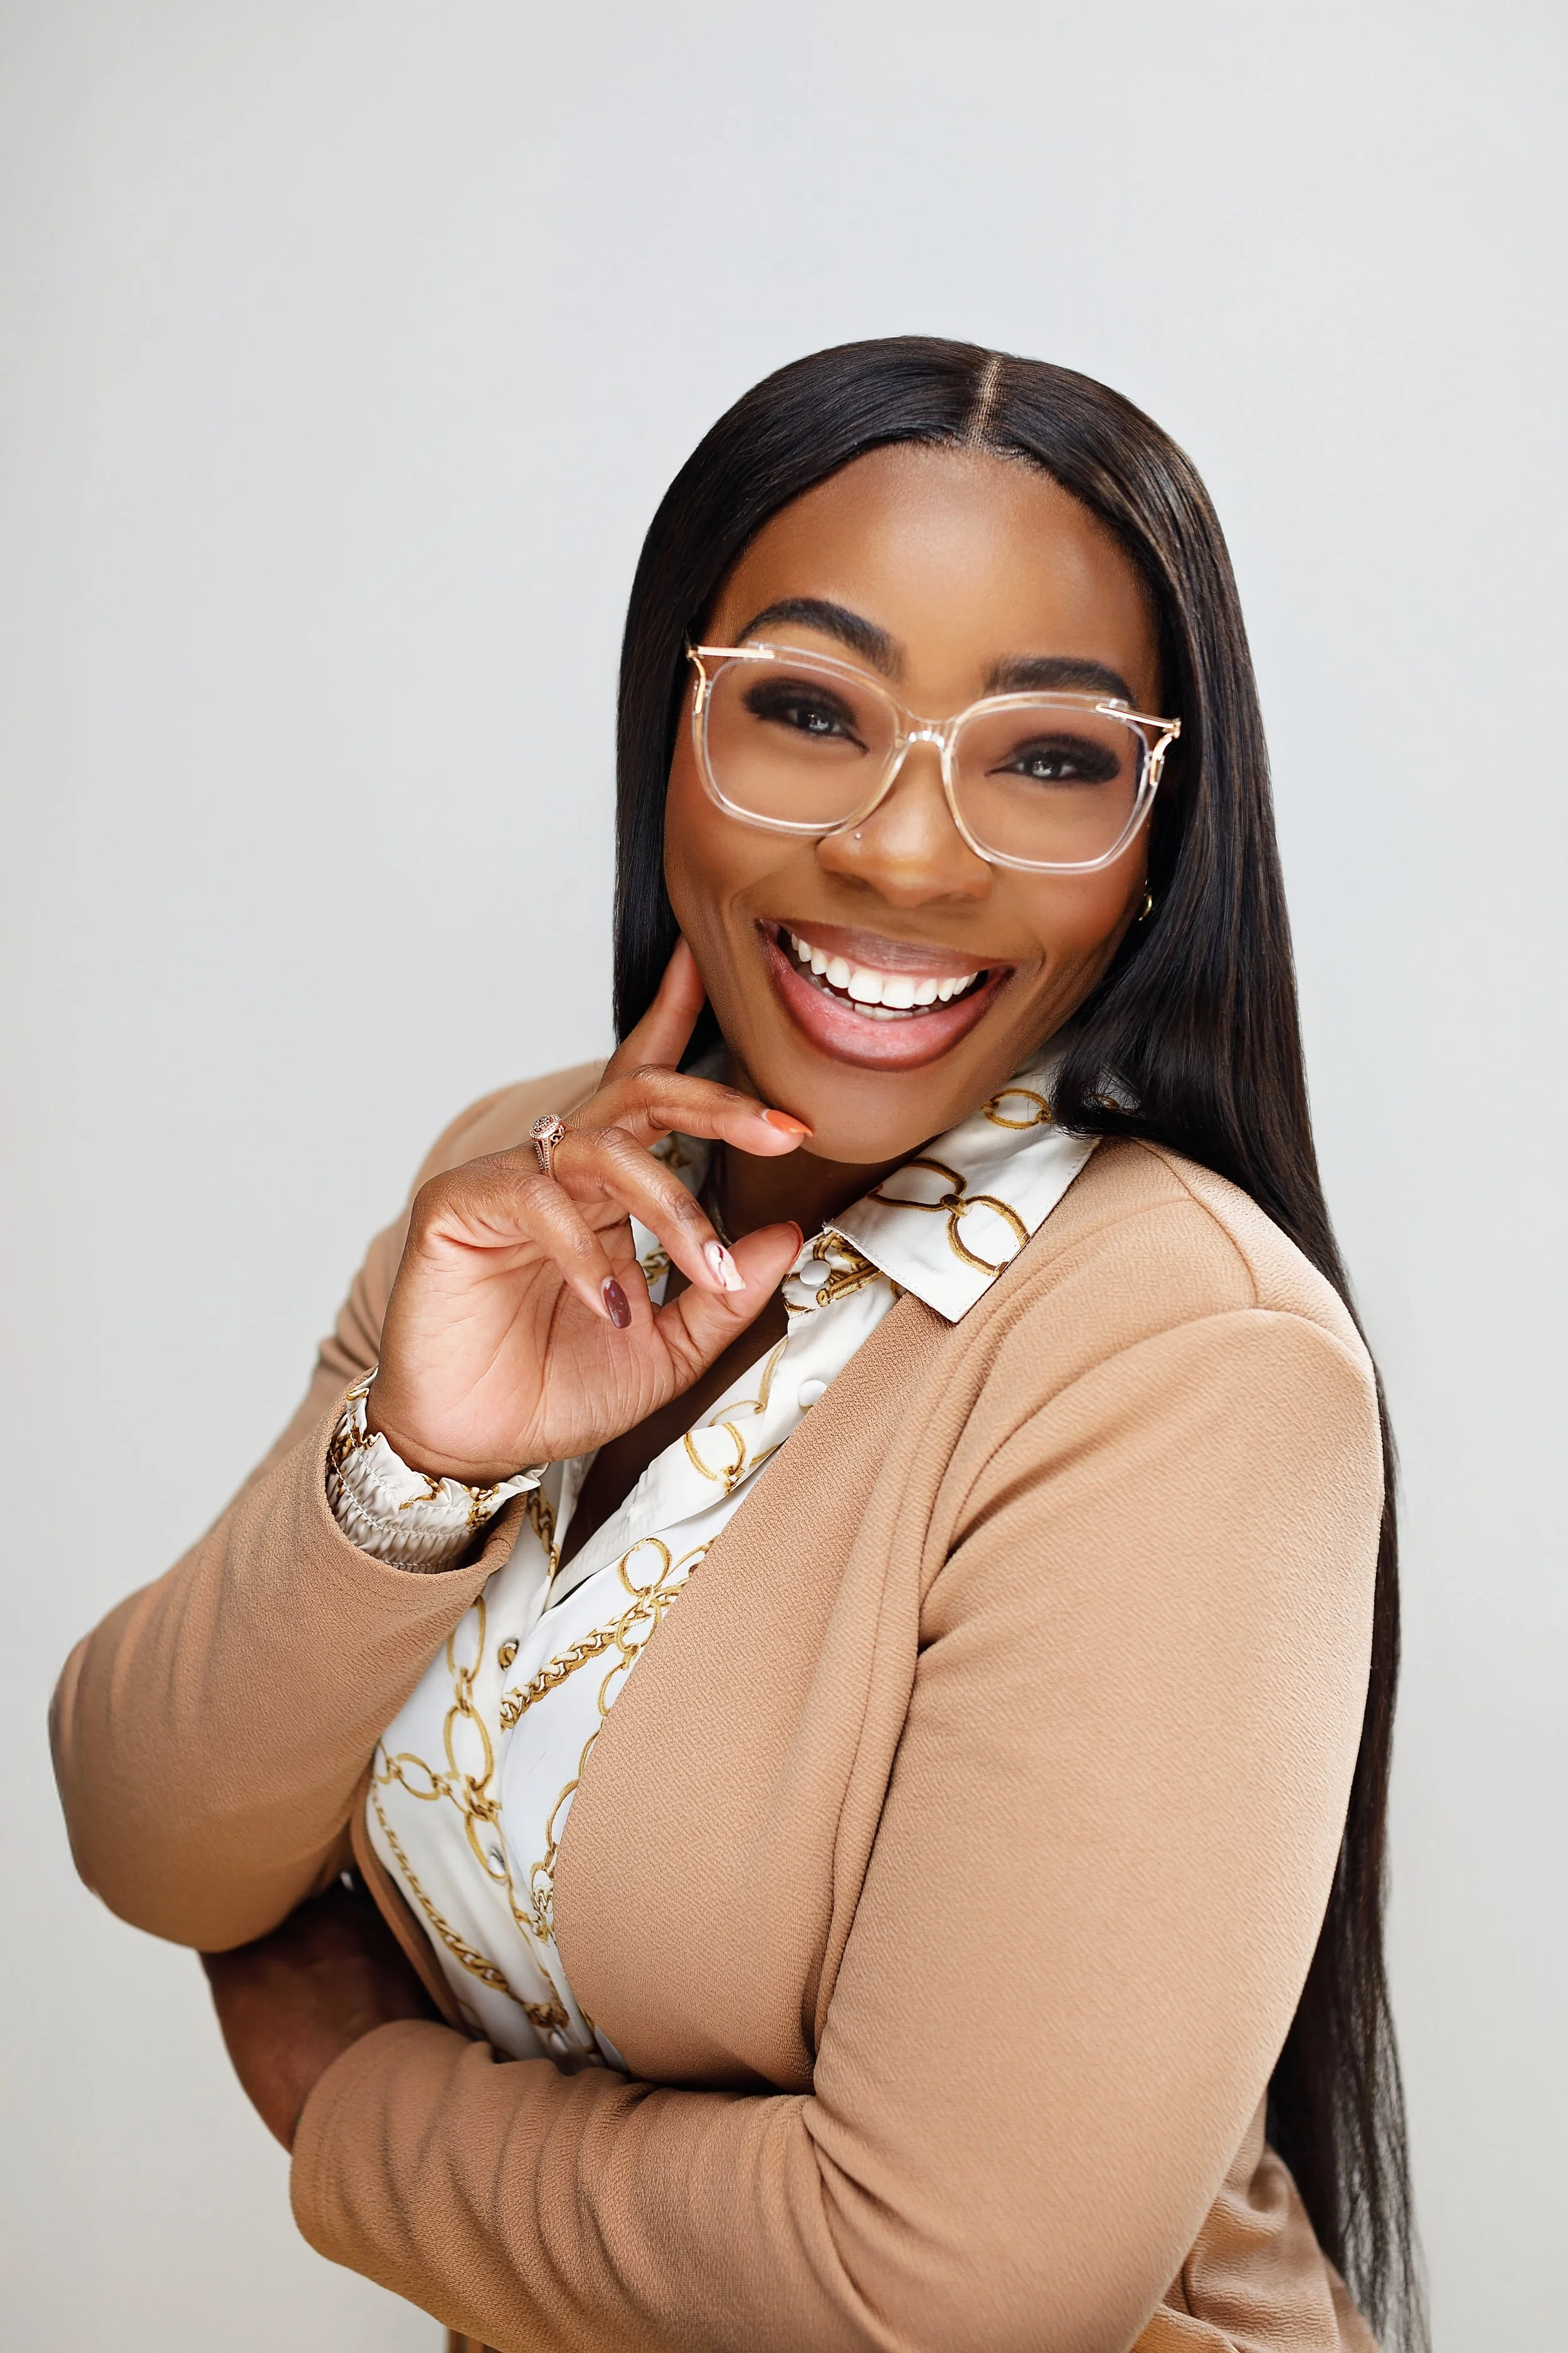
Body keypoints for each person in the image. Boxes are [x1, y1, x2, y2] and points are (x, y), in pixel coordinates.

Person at [51, 337, 1424, 2353]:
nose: (900, 852)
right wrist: (419, 1471)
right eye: (803, 709)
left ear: (1155, 840)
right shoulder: (532, 1186)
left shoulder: (1183, 1360)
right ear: (667, 733)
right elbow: (154, 1829)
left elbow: (944, 2294)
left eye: (1045, 754)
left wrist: (351, 2104)